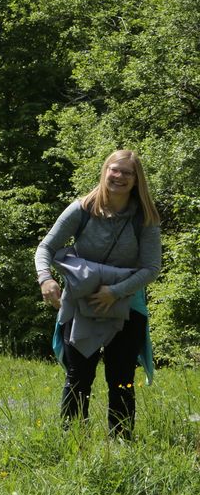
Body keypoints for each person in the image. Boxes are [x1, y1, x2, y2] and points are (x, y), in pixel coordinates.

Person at [34, 149, 162, 438]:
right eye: (114, 170)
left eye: (127, 172)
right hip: (80, 306)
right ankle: (73, 441)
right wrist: (46, 279)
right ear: (105, 171)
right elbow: (46, 248)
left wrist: (114, 292)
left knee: (121, 380)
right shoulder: (81, 209)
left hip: (127, 307)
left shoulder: (145, 217)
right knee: (78, 377)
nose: (119, 177)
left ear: (136, 179)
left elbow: (152, 268)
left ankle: (120, 443)